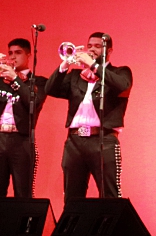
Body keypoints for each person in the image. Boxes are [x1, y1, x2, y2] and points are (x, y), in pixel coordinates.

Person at [46, 32, 132, 200]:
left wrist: (93, 65)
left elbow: (122, 85)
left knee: (110, 197)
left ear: (110, 50)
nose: (92, 49)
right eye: (90, 46)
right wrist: (64, 65)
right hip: (74, 142)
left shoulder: (121, 72)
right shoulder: (75, 77)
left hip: (103, 141)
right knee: (72, 198)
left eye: (98, 46)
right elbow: (50, 89)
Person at [0, 38, 47, 198]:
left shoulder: (39, 82)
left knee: (23, 194)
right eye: (10, 53)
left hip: (22, 141)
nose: (13, 57)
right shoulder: (0, 81)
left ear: (28, 55)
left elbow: (33, 102)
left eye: (18, 53)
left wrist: (15, 79)